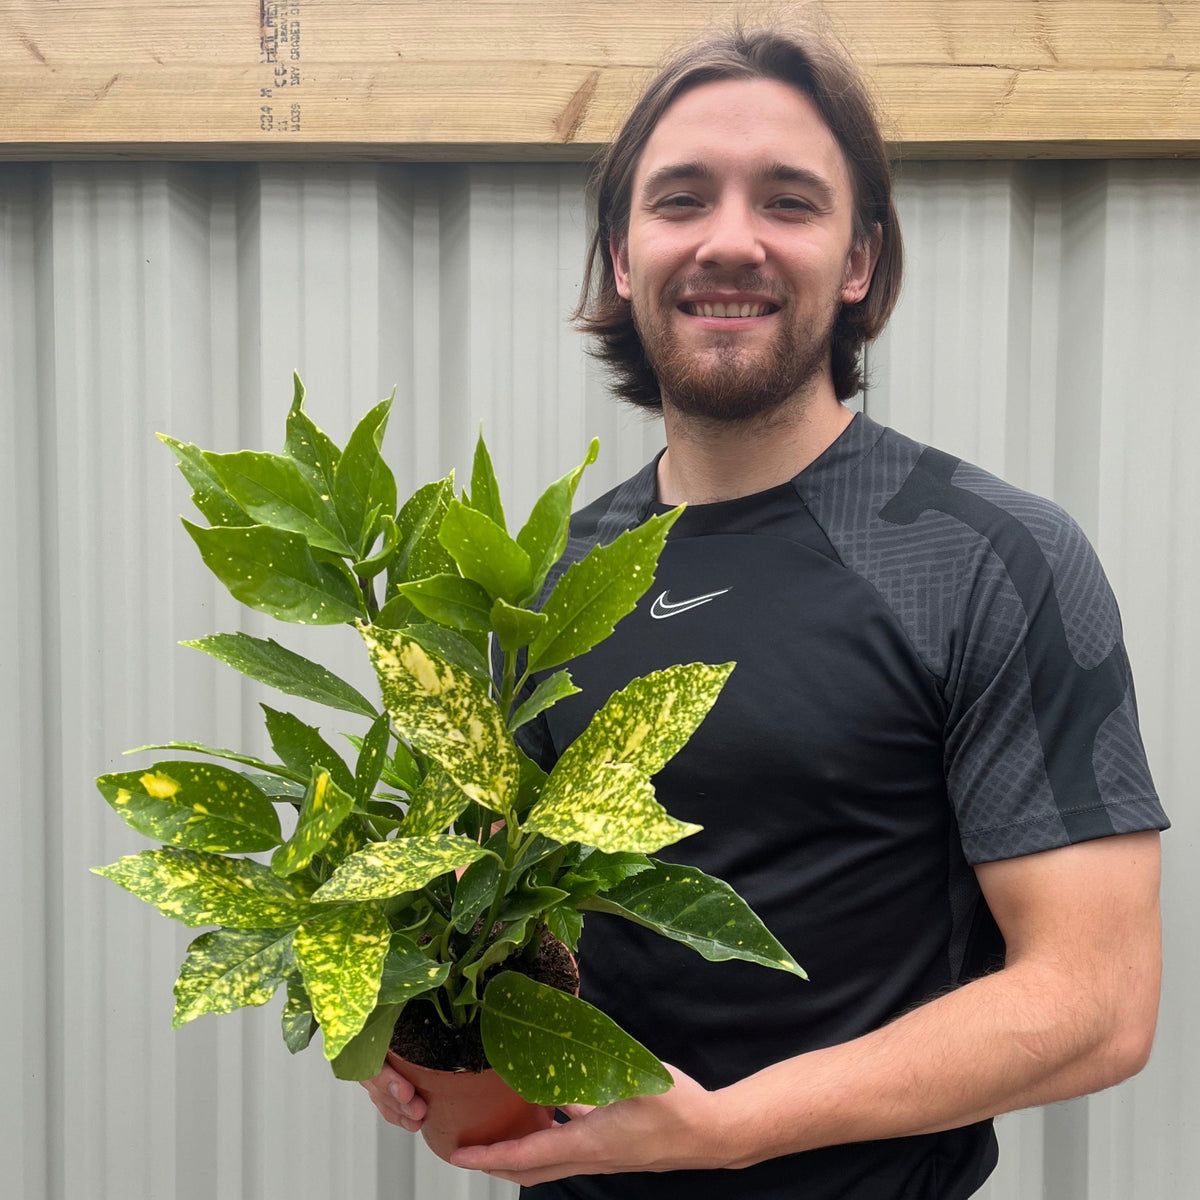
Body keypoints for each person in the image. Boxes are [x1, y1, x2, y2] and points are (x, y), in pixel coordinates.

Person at [362, 24, 1169, 1200]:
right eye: (681, 199)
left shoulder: (985, 558)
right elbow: (502, 913)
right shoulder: (542, 588)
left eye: (787, 202)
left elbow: (1097, 1003)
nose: (729, 240)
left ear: (858, 260)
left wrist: (725, 1128)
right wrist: (416, 1024)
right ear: (624, 256)